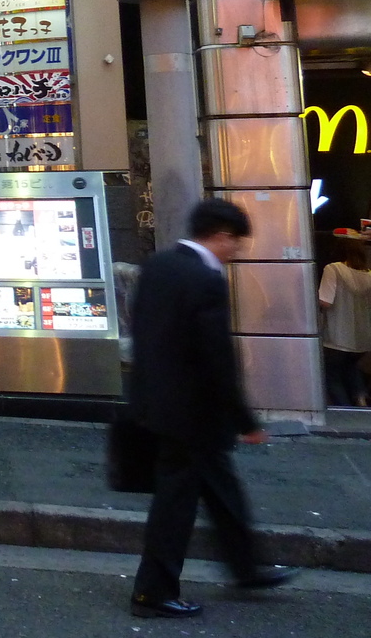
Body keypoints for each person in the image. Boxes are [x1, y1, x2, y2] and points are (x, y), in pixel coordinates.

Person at [127, 198, 295, 619]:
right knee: (176, 503)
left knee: (221, 490)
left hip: (156, 403)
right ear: (220, 235)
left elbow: (142, 333)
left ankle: (246, 568)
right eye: (235, 243)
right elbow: (217, 356)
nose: (235, 252)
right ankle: (153, 591)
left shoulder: (157, 266)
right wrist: (245, 419)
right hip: (193, 414)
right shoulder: (205, 279)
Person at [319, 233, 371, 408]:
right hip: (362, 338)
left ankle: (345, 410)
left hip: (337, 336)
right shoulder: (369, 275)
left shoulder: (333, 269)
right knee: (351, 367)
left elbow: (325, 301)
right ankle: (361, 402)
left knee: (331, 374)